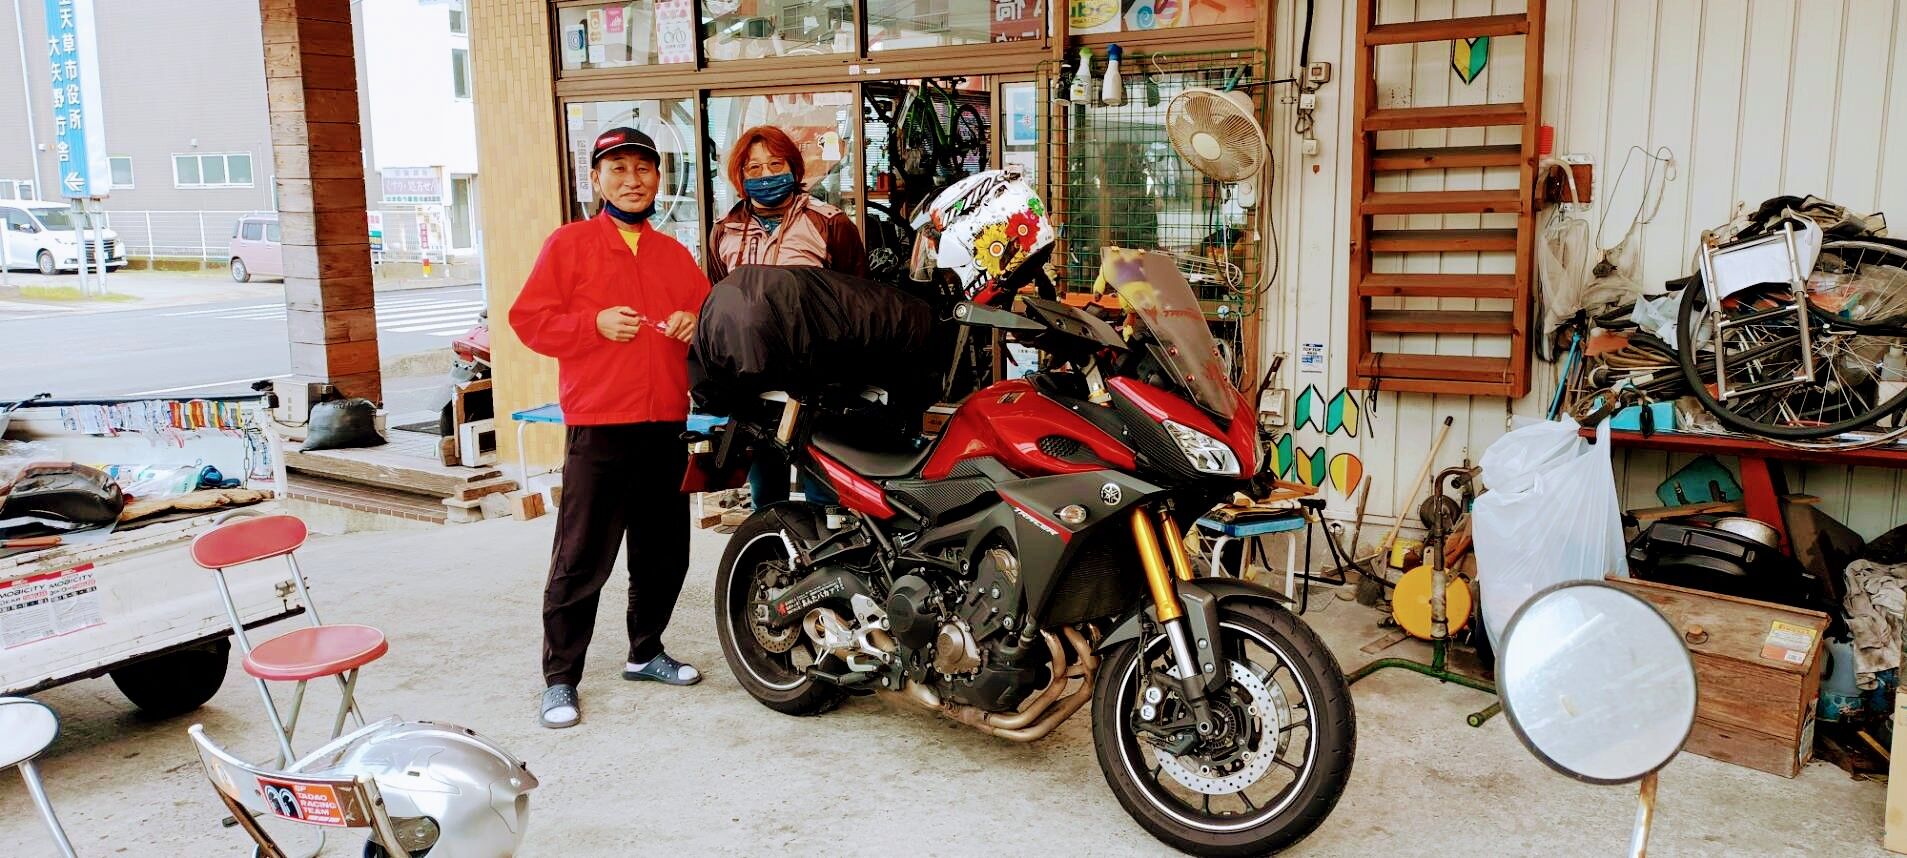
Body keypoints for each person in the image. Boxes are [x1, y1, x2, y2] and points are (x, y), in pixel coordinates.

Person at [510, 127, 712, 730]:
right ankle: (560, 678)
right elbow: (529, 320)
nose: (632, 180)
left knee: (663, 551)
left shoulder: (674, 254)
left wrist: (693, 321)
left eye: (643, 169)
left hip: (666, 423)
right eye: (618, 169)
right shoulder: (569, 244)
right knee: (581, 558)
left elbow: (711, 319)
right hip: (599, 426)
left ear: (659, 178)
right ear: (596, 180)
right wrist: (592, 324)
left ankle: (645, 652)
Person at [708, 125, 866, 508]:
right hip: (753, 385)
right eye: (754, 168)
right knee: (766, 496)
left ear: (794, 168)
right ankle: (770, 544)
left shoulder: (829, 223)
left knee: (823, 496)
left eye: (775, 165)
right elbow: (718, 302)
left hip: (816, 383)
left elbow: (858, 301)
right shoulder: (724, 232)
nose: (765, 175)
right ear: (740, 176)